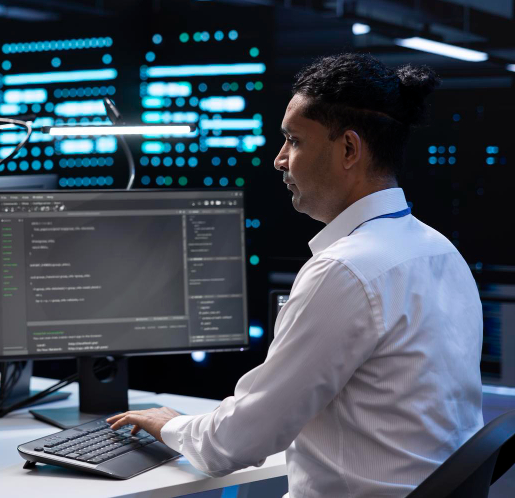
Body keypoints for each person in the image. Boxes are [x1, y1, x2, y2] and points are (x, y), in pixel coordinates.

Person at [108, 54, 483, 497]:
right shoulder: (439, 250)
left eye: (293, 141)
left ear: (348, 149)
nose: (279, 160)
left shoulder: (344, 271)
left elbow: (237, 443)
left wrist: (172, 425)